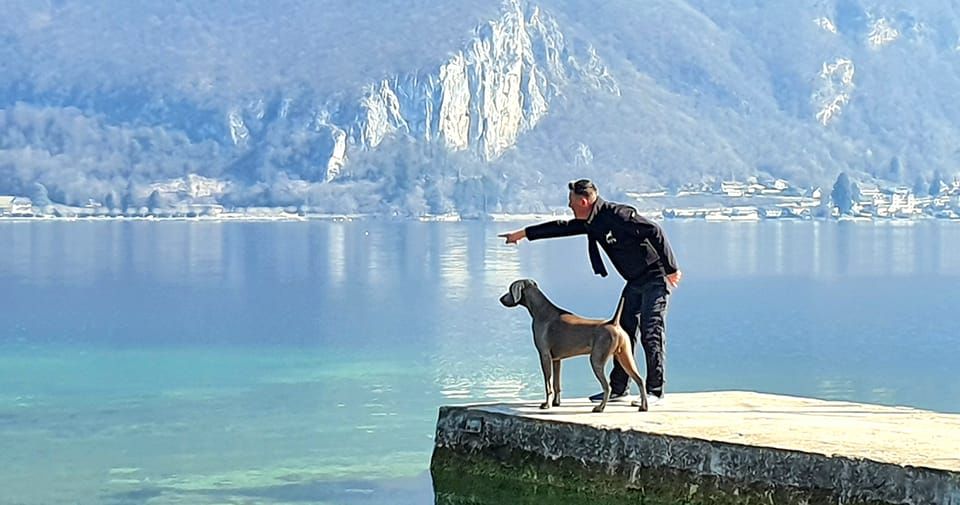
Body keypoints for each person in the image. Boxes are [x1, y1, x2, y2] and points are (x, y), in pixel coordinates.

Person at [499, 179, 681, 406]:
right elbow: (561, 227)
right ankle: (619, 389)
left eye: (571, 203)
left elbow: (655, 230)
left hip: (656, 277)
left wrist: (671, 269)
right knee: (622, 332)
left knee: (650, 331)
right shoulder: (589, 221)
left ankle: (654, 391)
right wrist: (523, 233)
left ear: (583, 201)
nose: (570, 207)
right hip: (635, 281)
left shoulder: (618, 215)